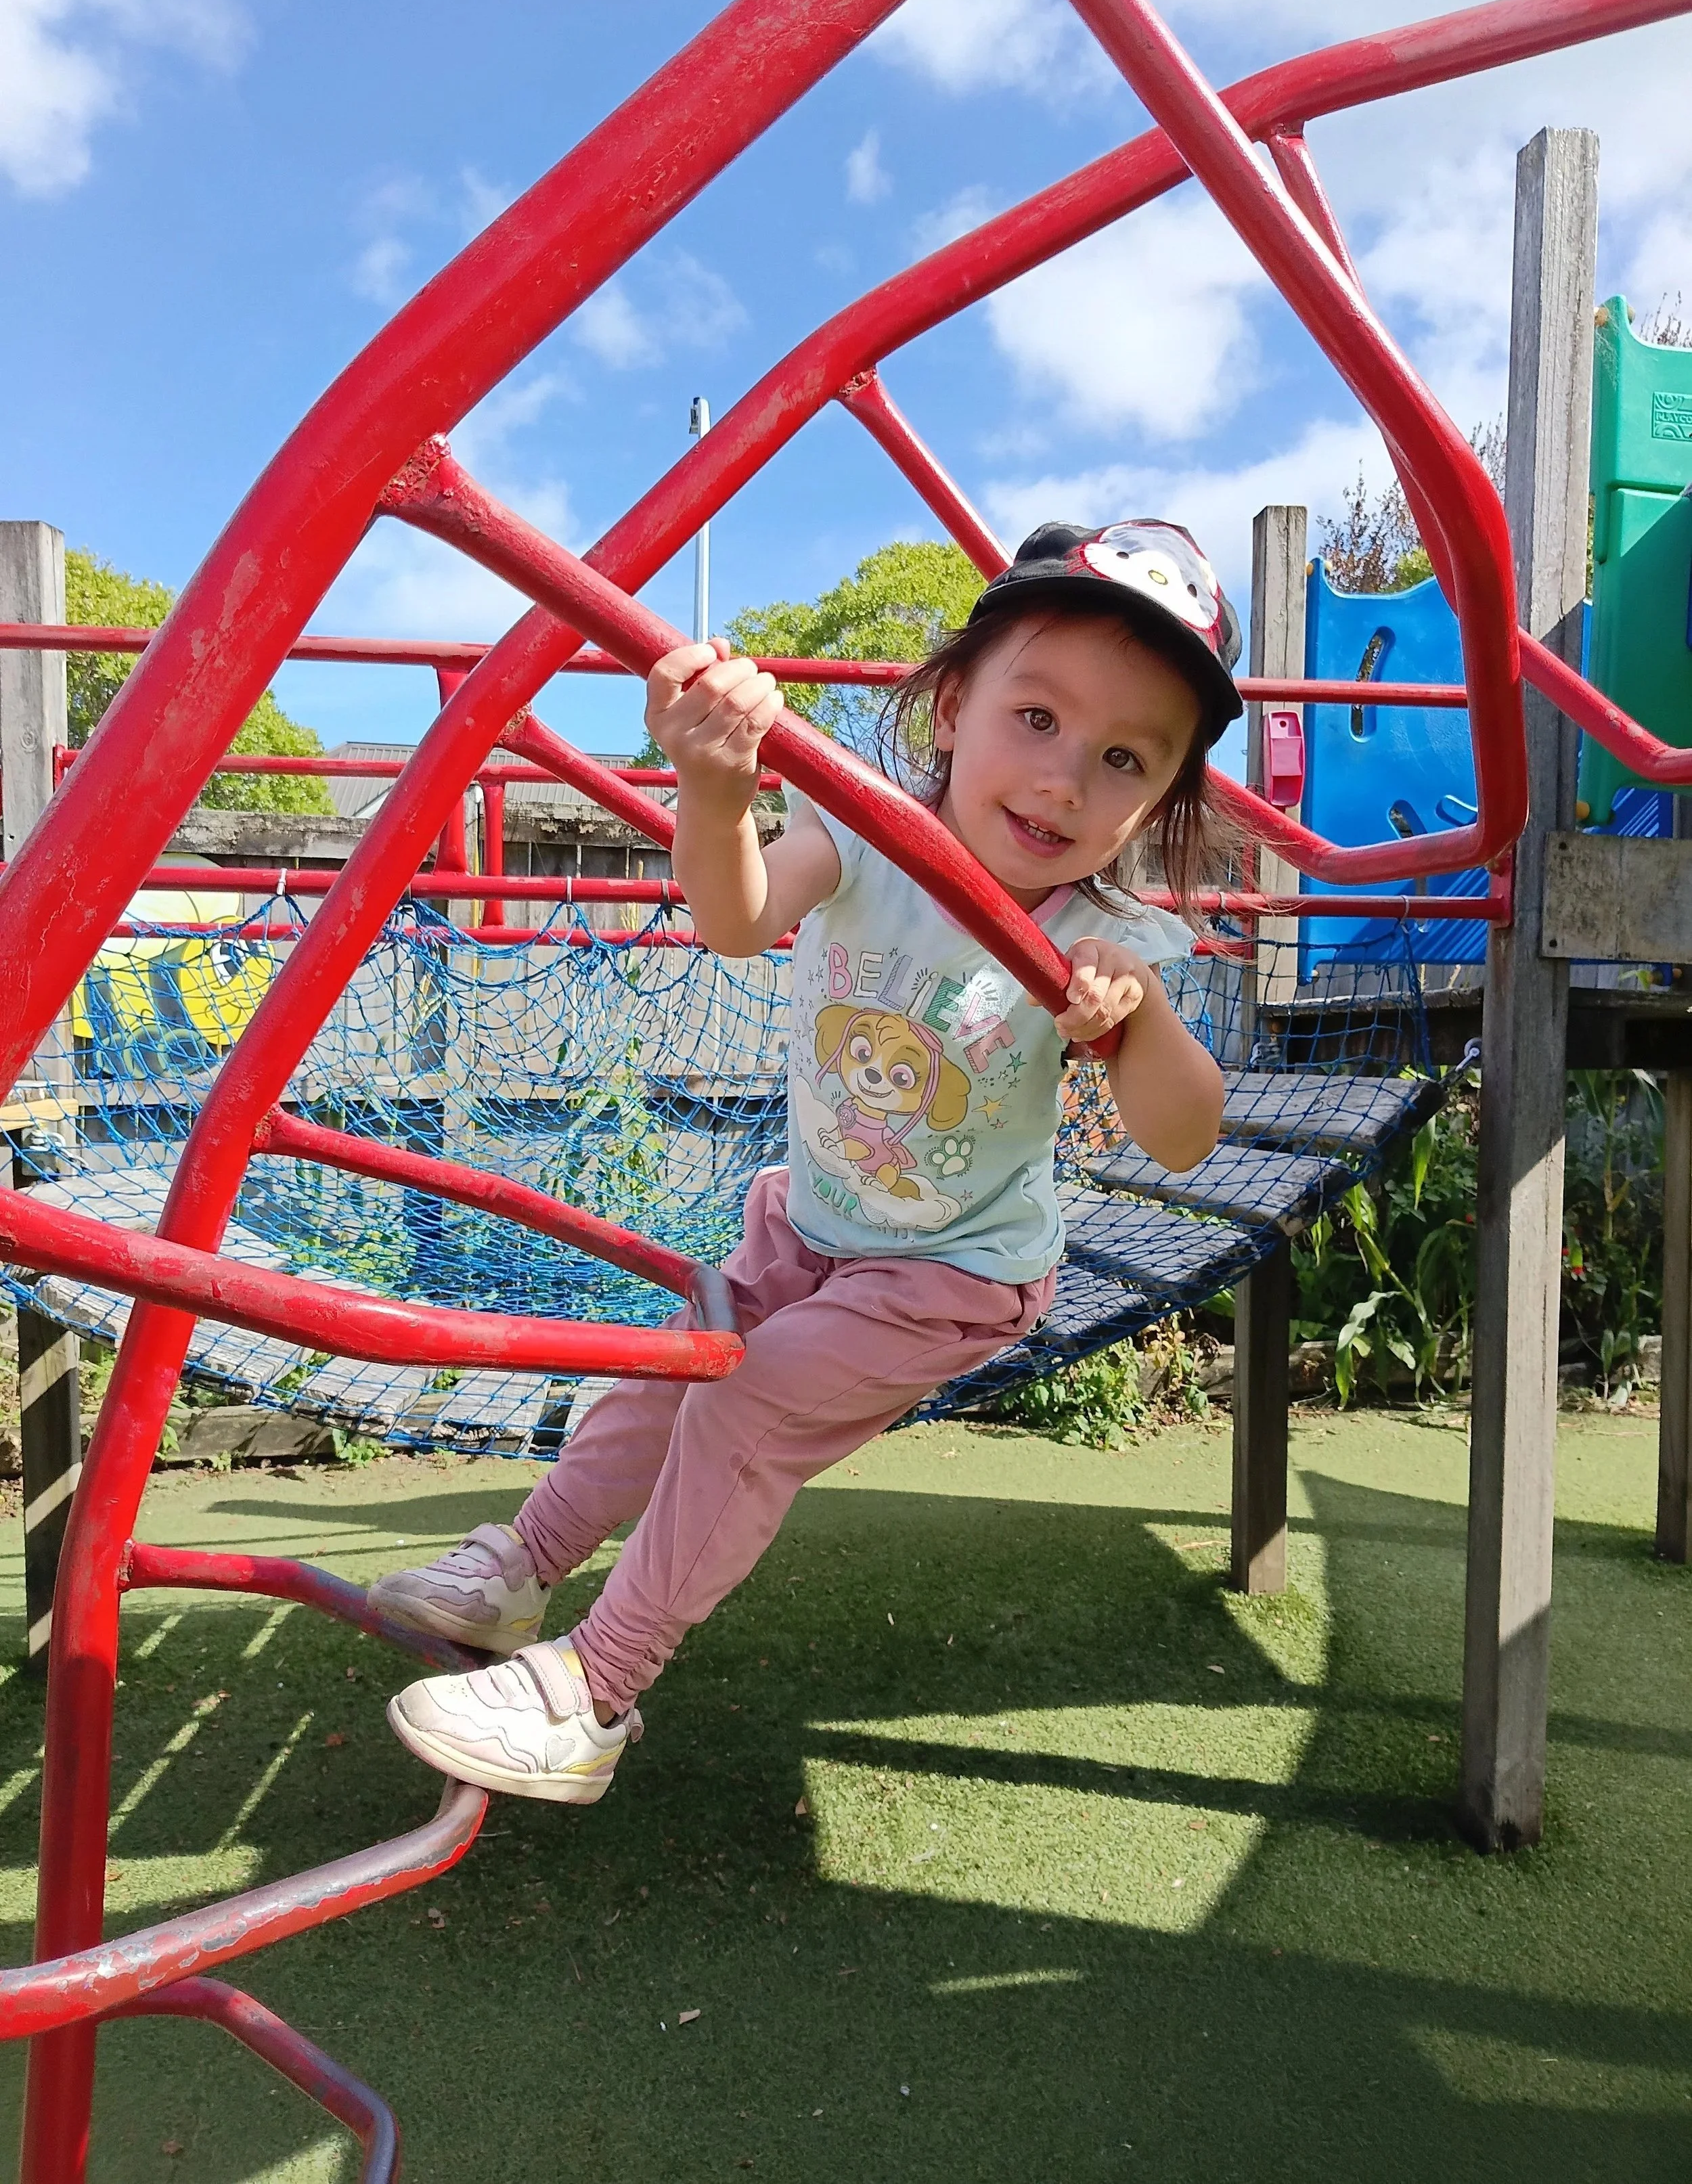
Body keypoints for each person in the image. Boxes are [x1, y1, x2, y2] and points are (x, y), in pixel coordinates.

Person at [377, 519, 1240, 1804]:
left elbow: (1188, 1132)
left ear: (1158, 802)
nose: (1064, 782)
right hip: (812, 1230)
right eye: (1039, 719)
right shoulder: (868, 832)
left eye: (1124, 759)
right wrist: (715, 789)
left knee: (749, 1396)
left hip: (955, 1273)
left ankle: (595, 1690)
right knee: (677, 1371)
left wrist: (1138, 1024)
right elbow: (733, 922)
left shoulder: (1105, 933)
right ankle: (524, 1563)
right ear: (953, 707)